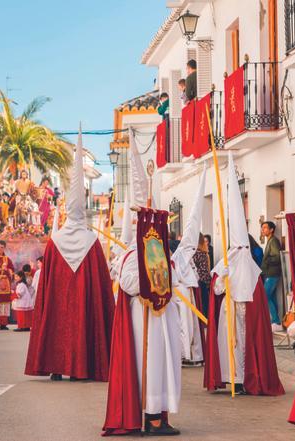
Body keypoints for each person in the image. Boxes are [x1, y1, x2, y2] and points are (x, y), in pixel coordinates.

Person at [103, 138, 181, 436]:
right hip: (143, 318)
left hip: (162, 317)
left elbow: (171, 275)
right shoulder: (131, 255)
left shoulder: (160, 250)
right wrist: (150, 281)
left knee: (163, 365)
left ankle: (159, 414)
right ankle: (150, 416)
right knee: (149, 365)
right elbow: (129, 283)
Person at [26, 128, 115, 382]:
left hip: (58, 299)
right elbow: (101, 284)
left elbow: (47, 282)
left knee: (57, 323)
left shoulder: (55, 241)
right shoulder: (92, 241)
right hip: (84, 300)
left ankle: (56, 366)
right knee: (82, 322)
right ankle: (81, 367)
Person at [204, 153, 284, 397]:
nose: (239, 252)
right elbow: (216, 290)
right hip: (227, 314)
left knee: (244, 348)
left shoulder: (251, 267)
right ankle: (230, 379)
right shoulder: (226, 262)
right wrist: (222, 278)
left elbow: (255, 298)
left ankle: (244, 378)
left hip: (243, 316)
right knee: (226, 348)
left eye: (242, 248)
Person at [172, 167, 207, 366]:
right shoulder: (183, 254)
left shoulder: (189, 253)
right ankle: (186, 353)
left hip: (189, 293)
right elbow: (181, 272)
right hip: (182, 293)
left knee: (191, 325)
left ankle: (194, 353)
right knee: (185, 325)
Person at [261, 221, 283, 331]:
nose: (263, 230)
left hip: (273, 273)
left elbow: (277, 257)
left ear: (271, 230)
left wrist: (266, 260)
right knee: (272, 297)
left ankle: (276, 321)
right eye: (262, 228)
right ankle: (276, 322)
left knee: (265, 296)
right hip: (270, 273)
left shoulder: (273, 241)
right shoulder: (269, 241)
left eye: (265, 228)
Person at [194, 233, 212, 317]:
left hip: (193, 283)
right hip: (201, 283)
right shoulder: (202, 253)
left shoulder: (192, 252)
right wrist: (209, 283)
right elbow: (204, 271)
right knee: (203, 306)